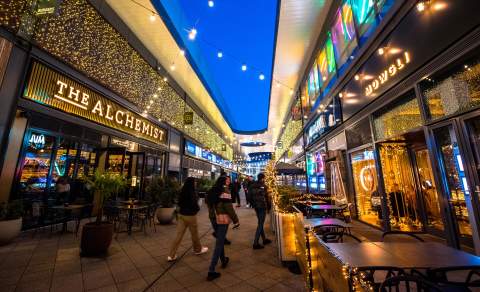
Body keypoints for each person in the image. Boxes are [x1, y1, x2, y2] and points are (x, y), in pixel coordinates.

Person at [167, 177, 208, 262]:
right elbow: (194, 204)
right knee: (194, 234)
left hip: (181, 215)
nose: (195, 183)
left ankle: (171, 255)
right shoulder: (192, 192)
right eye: (195, 182)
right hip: (190, 216)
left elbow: (179, 202)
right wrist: (196, 210)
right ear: (192, 183)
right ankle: (198, 250)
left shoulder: (182, 191)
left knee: (178, 235)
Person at [207, 176, 239, 281]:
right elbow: (228, 207)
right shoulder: (225, 191)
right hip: (222, 219)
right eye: (227, 180)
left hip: (213, 218)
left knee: (220, 240)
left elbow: (208, 204)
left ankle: (224, 260)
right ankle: (211, 270)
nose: (229, 181)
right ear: (223, 182)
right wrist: (236, 220)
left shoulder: (212, 190)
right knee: (219, 243)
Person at [207, 175, 232, 245]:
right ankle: (219, 252)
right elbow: (227, 206)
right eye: (226, 181)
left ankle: (222, 241)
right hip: (219, 215)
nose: (228, 182)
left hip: (212, 215)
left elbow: (208, 202)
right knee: (221, 234)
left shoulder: (211, 190)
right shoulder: (223, 191)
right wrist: (234, 218)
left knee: (219, 234)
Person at [249, 173, 272, 249]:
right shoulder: (264, 186)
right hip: (262, 206)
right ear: (262, 178)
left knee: (260, 222)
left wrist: (253, 204)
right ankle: (255, 243)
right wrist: (269, 207)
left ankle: (264, 239)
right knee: (260, 224)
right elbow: (267, 198)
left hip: (256, 207)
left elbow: (249, 196)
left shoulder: (252, 185)